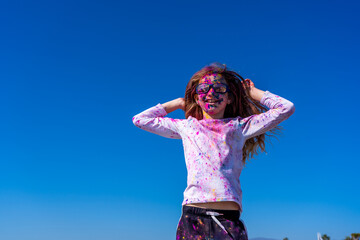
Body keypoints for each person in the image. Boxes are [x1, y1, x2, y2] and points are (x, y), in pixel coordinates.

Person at [132, 63, 295, 240]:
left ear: (229, 98)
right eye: (204, 89)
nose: (211, 94)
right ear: (196, 97)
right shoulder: (187, 127)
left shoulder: (239, 127)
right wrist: (178, 103)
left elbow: (286, 107)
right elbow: (140, 119)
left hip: (228, 220)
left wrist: (252, 93)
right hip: (193, 217)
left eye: (219, 88)